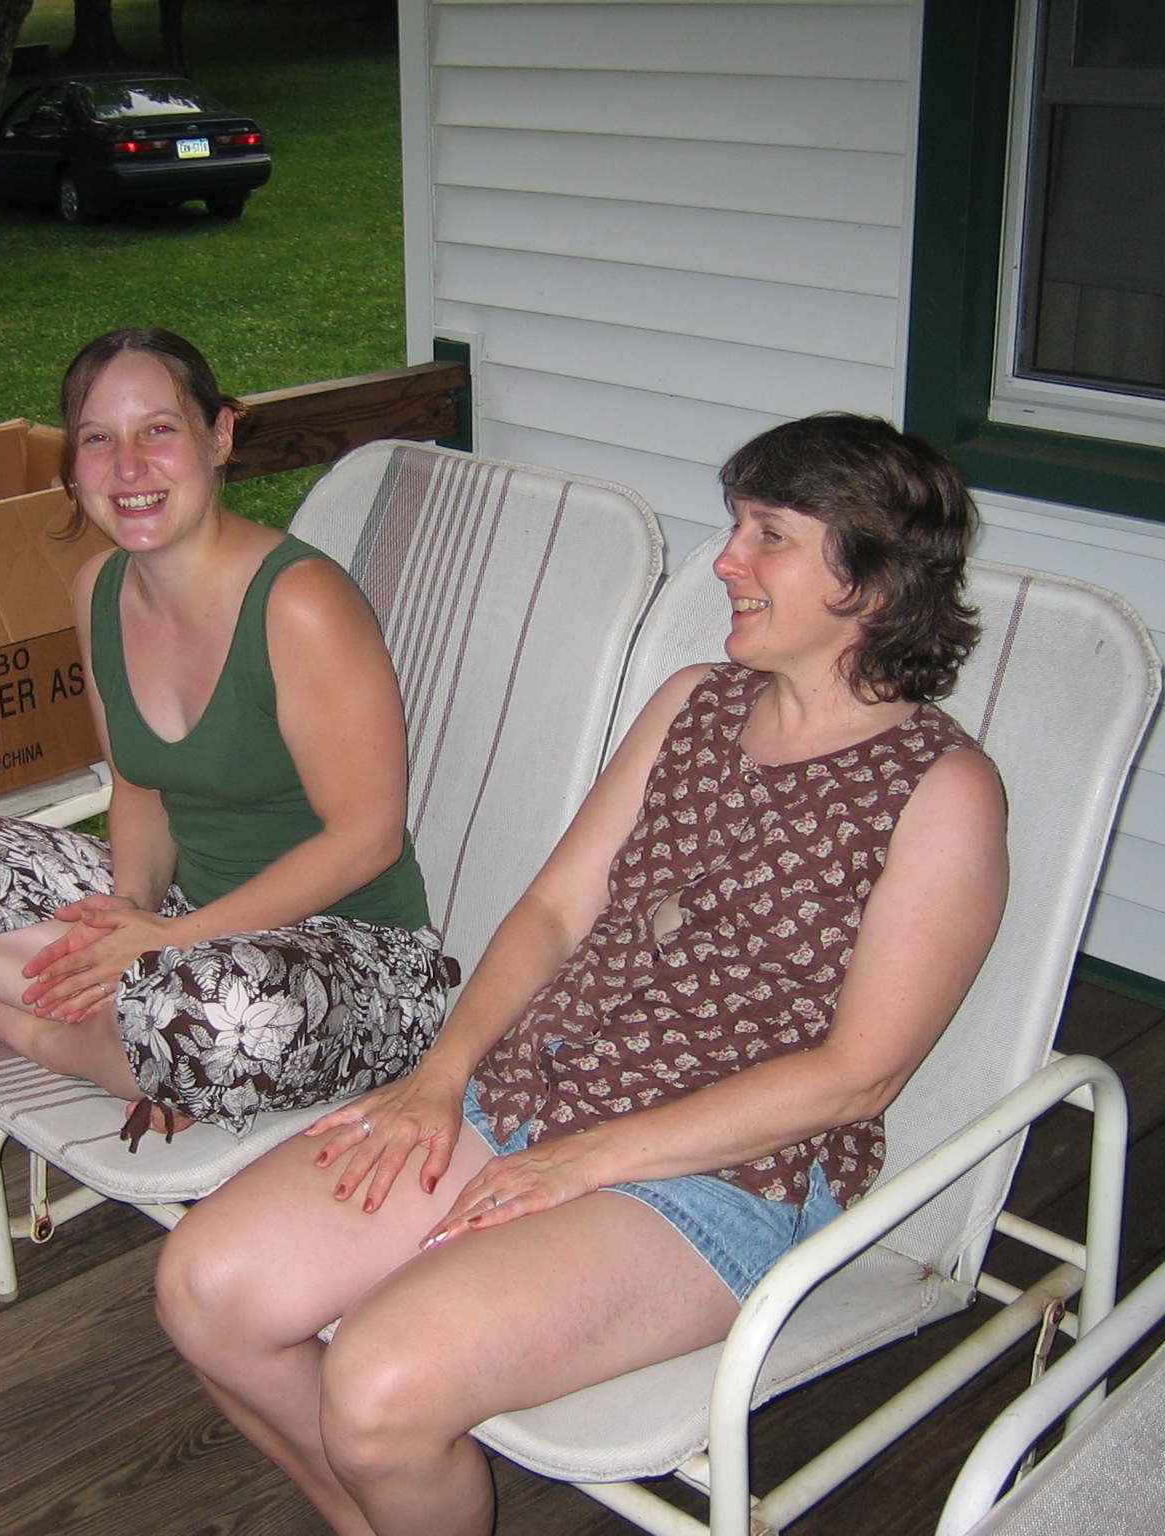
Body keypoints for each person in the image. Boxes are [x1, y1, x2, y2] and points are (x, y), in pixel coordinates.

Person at [154, 413, 1012, 1536]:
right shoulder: (693, 704)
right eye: (734, 527)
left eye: (770, 536)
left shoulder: (941, 792)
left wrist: (583, 1162)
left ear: (876, 581)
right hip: (531, 1091)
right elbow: (557, 910)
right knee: (206, 1287)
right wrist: (441, 1075)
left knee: (378, 1387)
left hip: (721, 1174)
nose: (725, 560)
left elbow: (858, 1076)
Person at [0, 328, 448, 1145]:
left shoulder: (300, 604)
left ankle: (42, 1032)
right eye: (98, 439)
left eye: (159, 430)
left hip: (351, 956)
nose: (129, 468)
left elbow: (367, 839)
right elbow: (140, 788)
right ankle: (138, 1036)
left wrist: (169, 941)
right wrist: (129, 914)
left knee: (224, 1019)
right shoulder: (98, 591)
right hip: (181, 924)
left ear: (219, 437)